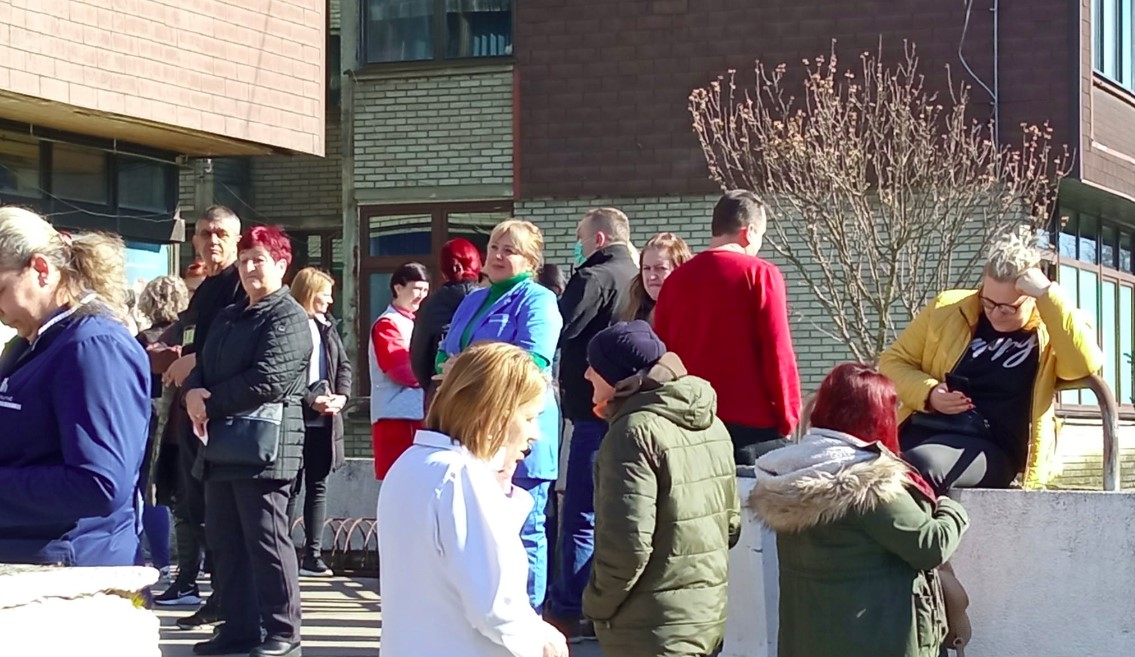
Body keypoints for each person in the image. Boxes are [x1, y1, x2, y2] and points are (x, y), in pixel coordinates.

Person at [751, 363, 970, 657]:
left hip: (807, 640)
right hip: (877, 640)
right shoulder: (868, 483)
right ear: (877, 416)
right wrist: (951, 509)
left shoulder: (789, 472)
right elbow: (931, 545)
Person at [377, 341, 568, 657]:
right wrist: (542, 643)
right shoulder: (461, 475)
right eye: (529, 417)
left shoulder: (411, 463)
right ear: (494, 414)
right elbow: (495, 606)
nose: (535, 434)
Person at [879, 233, 1103, 492]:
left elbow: (1083, 365)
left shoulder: (1056, 323)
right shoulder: (948, 308)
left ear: (1031, 297)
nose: (996, 314)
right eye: (988, 303)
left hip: (996, 446)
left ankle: (928, 520)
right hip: (928, 427)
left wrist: (1048, 294)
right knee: (866, 463)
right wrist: (929, 392)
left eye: (1008, 308)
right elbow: (892, 363)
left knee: (920, 465)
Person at [183, 225, 312, 657]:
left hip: (266, 448)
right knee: (226, 541)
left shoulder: (289, 317)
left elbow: (268, 380)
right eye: (244, 261)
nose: (250, 268)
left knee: (266, 540)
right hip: (222, 445)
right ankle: (238, 628)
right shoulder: (228, 315)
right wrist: (192, 392)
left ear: (282, 264)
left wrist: (210, 402)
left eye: (259, 259)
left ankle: (283, 631)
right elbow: (203, 364)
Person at [0, 207, 150, 566]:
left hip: (72, 566)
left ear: (41, 269)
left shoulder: (95, 346)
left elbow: (100, 484)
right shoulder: (29, 344)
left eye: (0, 288)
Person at [581, 321, 740, 657]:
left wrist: (595, 605)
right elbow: (731, 525)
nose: (587, 374)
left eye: (594, 367)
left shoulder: (631, 433)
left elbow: (626, 548)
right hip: (706, 619)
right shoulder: (713, 425)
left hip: (649, 629)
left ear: (619, 377)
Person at [440, 219, 563, 613]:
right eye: (493, 247)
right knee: (482, 527)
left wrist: (469, 367)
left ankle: (528, 614)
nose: (496, 255)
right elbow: (444, 354)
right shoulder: (473, 299)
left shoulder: (538, 301)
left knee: (525, 526)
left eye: (509, 250)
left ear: (530, 260)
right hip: (475, 430)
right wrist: (454, 365)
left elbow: (533, 361)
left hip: (519, 429)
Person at [654, 190, 801, 465]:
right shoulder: (760, 274)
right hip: (751, 429)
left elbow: (662, 353)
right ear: (749, 232)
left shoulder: (675, 281)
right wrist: (788, 416)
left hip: (689, 423)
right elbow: (778, 351)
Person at [153, 207, 247, 626]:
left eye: (221, 233)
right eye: (205, 233)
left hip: (222, 418)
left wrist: (191, 362)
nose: (213, 241)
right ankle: (211, 595)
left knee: (222, 516)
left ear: (236, 239)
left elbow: (237, 347)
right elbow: (192, 338)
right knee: (194, 508)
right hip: (190, 414)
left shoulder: (238, 286)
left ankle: (230, 602)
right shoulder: (205, 289)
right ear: (193, 240)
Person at [550, 207, 638, 634]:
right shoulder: (635, 276)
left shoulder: (592, 278)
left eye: (581, 238)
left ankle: (569, 608)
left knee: (581, 513)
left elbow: (558, 329)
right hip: (628, 410)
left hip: (591, 411)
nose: (578, 246)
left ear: (599, 240)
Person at [287, 267, 352, 578]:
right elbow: (288, 373)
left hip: (324, 422)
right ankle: (284, 552)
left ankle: (313, 555)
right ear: (309, 293)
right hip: (295, 419)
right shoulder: (291, 324)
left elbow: (344, 365)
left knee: (318, 486)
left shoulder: (327, 326)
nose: (329, 300)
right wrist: (310, 399)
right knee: (290, 488)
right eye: (324, 294)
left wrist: (342, 397)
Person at [136, 275, 193, 580]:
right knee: (185, 496)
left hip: (150, 422)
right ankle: (187, 565)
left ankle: (158, 561)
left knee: (150, 491)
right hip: (184, 421)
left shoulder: (143, 340)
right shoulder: (188, 336)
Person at [370, 262, 431, 480]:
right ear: (398, 288)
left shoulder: (413, 322)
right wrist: (432, 375)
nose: (421, 296)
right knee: (398, 479)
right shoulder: (387, 324)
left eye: (425, 290)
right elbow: (400, 369)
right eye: (416, 289)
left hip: (413, 414)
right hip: (395, 418)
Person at [409, 238, 482, 401]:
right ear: (477, 263)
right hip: (482, 393)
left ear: (443, 269)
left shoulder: (432, 305)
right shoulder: (489, 301)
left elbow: (419, 358)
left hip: (441, 392)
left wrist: (431, 386)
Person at [618, 233, 693, 324]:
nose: (652, 276)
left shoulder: (694, 314)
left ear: (681, 269)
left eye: (661, 268)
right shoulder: (635, 310)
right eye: (646, 268)